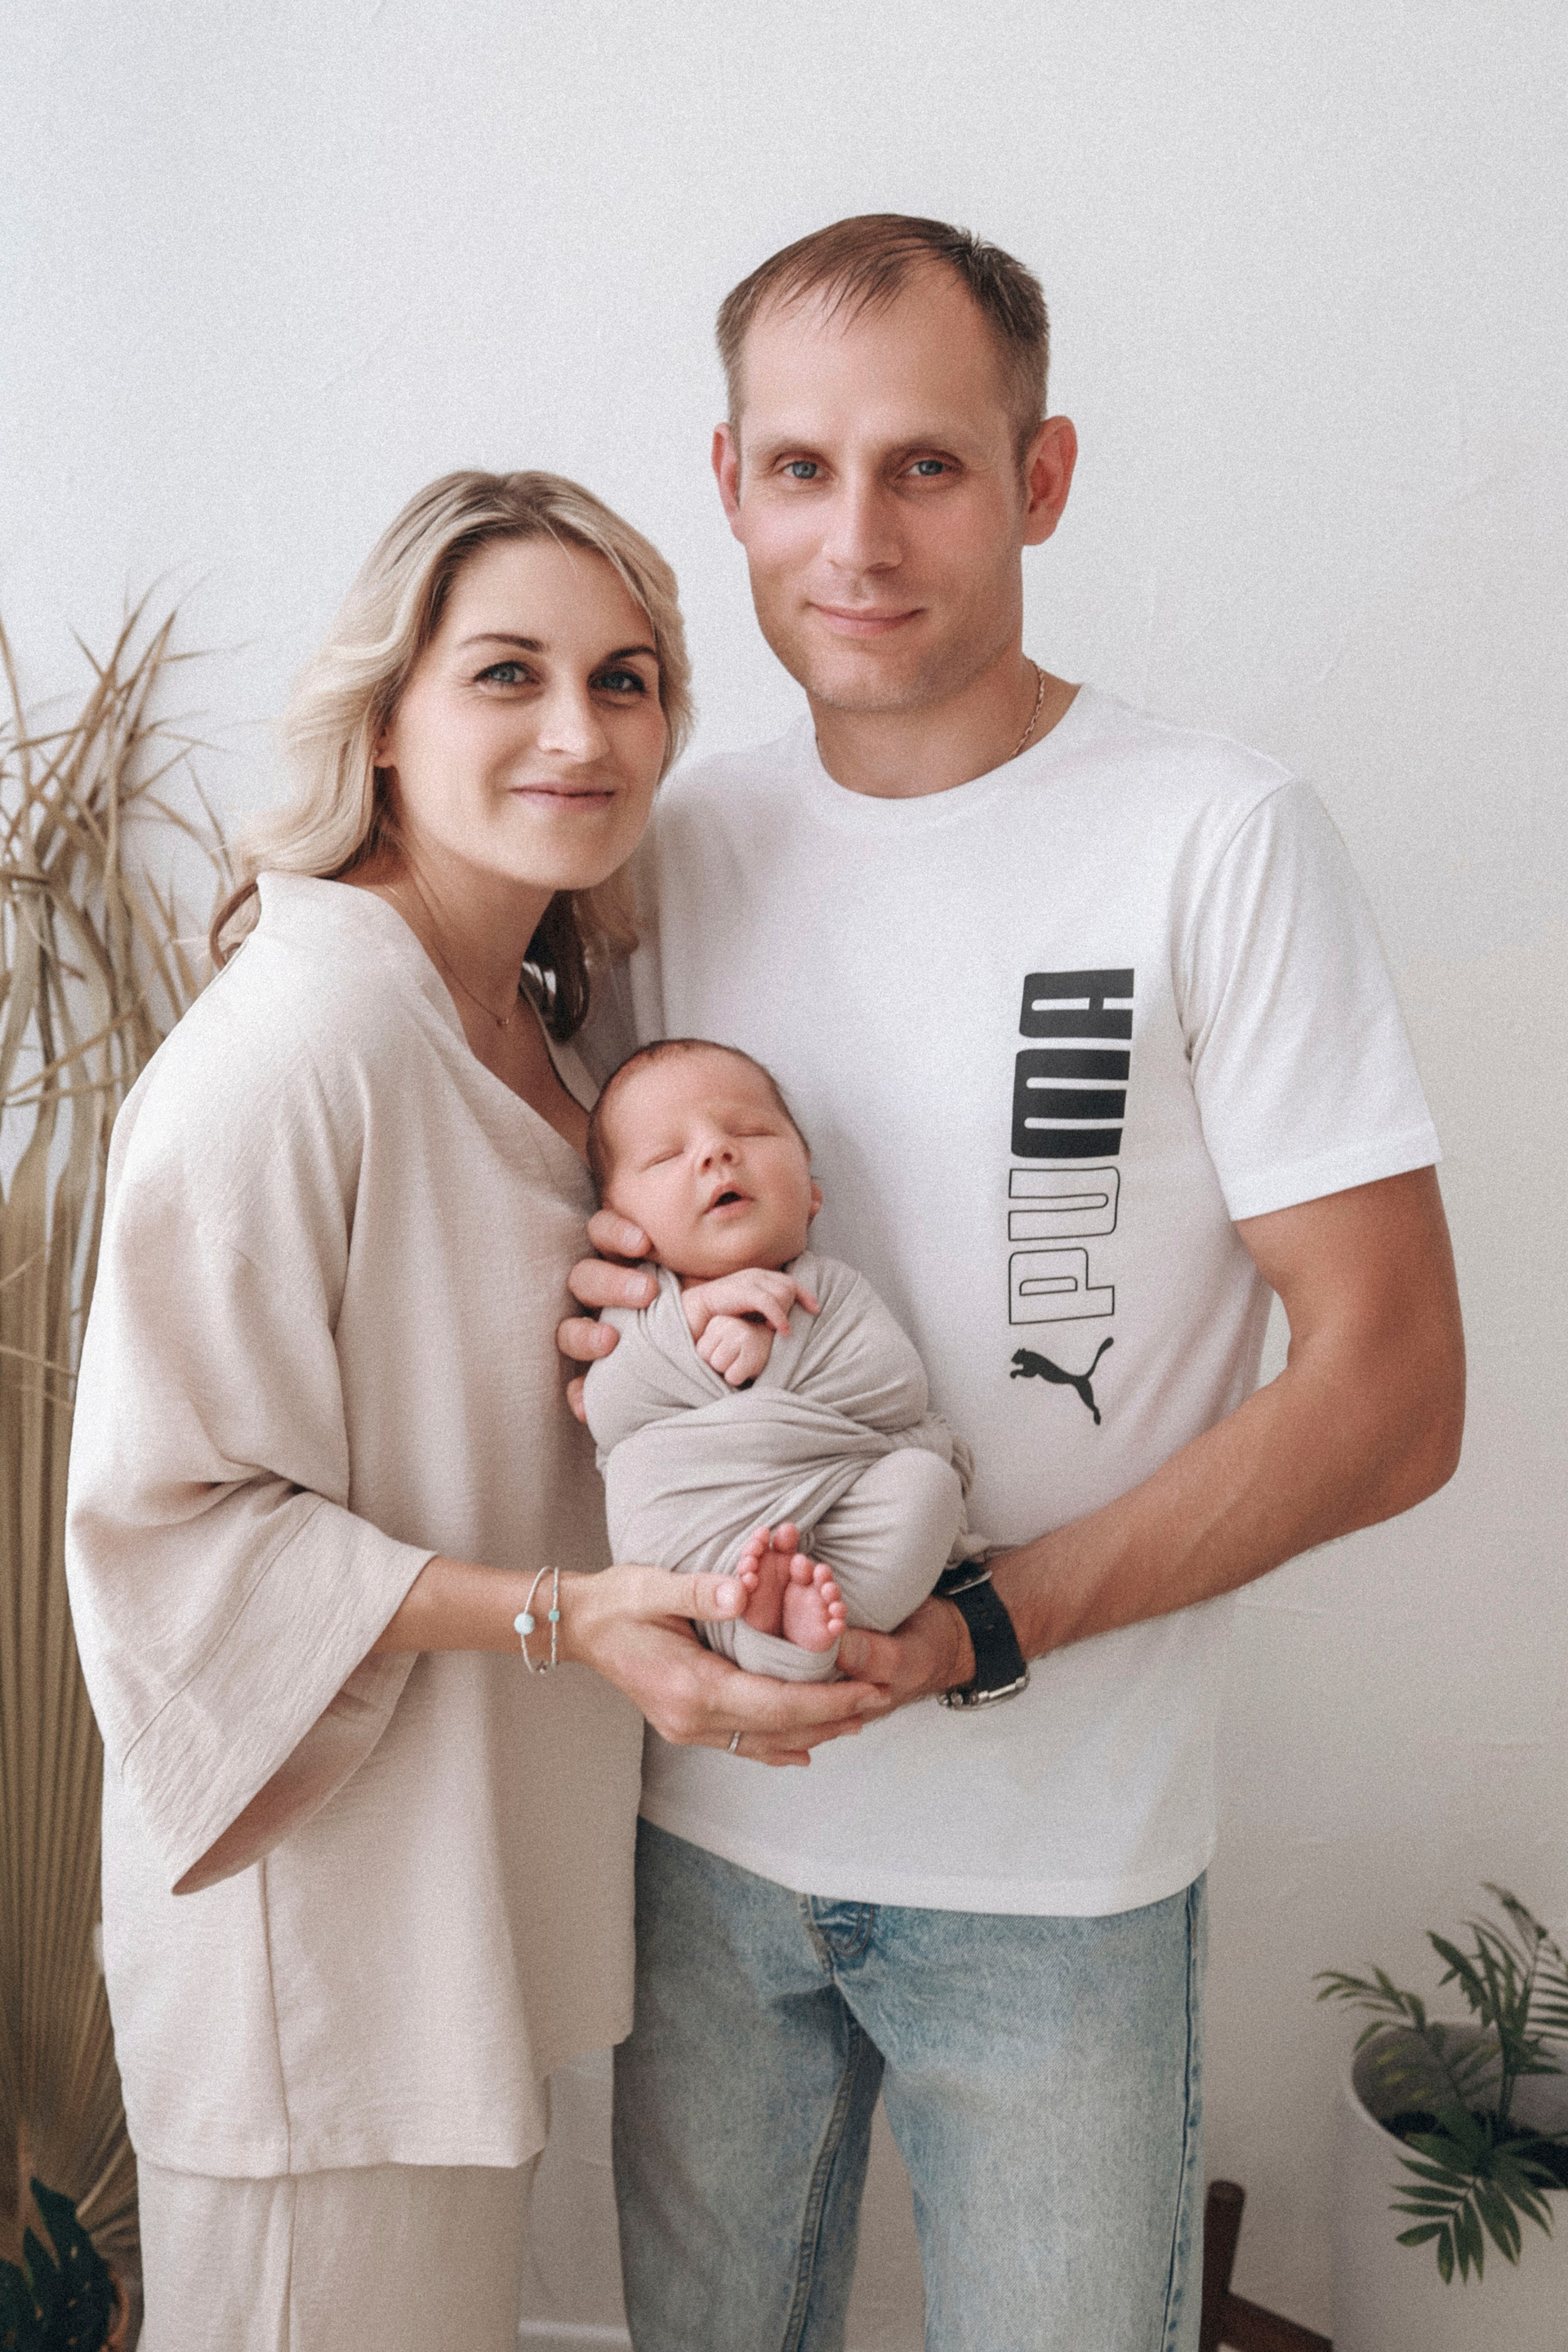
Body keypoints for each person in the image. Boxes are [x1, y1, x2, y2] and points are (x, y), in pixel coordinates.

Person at [558, 218, 1467, 2351]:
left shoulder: (1216, 835)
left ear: (1042, 479)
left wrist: (980, 1626)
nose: (857, 538)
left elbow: (1395, 1390)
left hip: (1061, 1878)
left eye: (928, 467)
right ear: (728, 485)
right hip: (701, 1833)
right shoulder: (658, 848)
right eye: (802, 469)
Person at [64, 469, 881, 2352]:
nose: (579, 732)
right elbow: (172, 1521)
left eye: (625, 678)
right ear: (384, 719)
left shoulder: (554, 1037)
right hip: (322, 1961)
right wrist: (562, 1614)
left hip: (456, 1926)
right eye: (508, 672)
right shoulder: (297, 1051)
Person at [581, 1036, 974, 1680]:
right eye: (666, 1155)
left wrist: (777, 1341)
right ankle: (766, 1624)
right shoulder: (639, 1306)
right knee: (653, 1533)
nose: (716, 1151)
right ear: (621, 1226)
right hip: (699, 1524)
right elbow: (611, 1412)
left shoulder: (830, 1288)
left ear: (811, 1191)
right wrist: (698, 1313)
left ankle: (797, 1624)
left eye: (750, 1131)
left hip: (840, 1506)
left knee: (928, 1487)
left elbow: (895, 1388)